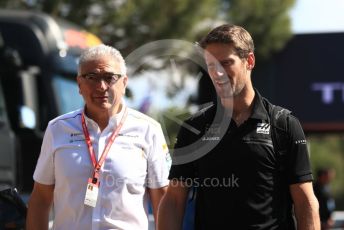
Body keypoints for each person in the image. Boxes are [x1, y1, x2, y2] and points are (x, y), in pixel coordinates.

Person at [158, 24, 320, 229]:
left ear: (249, 61)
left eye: (226, 63)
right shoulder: (194, 127)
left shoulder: (284, 125)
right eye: (211, 65)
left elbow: (305, 202)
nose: (218, 73)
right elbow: (173, 199)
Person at [26, 44, 170, 230]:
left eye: (110, 78)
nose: (101, 87)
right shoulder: (57, 129)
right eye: (91, 77)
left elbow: (163, 200)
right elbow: (40, 198)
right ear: (79, 84)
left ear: (124, 83)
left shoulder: (148, 130)